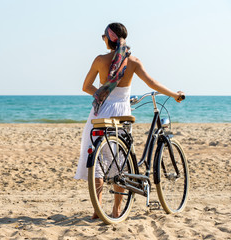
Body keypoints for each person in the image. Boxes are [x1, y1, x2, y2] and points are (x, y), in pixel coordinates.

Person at [74, 22, 184, 220]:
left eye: (103, 37)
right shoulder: (133, 61)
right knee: (121, 161)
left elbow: (86, 86)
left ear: (109, 39)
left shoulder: (100, 60)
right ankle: (117, 210)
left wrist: (102, 95)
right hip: (122, 113)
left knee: (98, 160)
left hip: (100, 113)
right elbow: (153, 83)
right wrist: (175, 94)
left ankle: (97, 209)